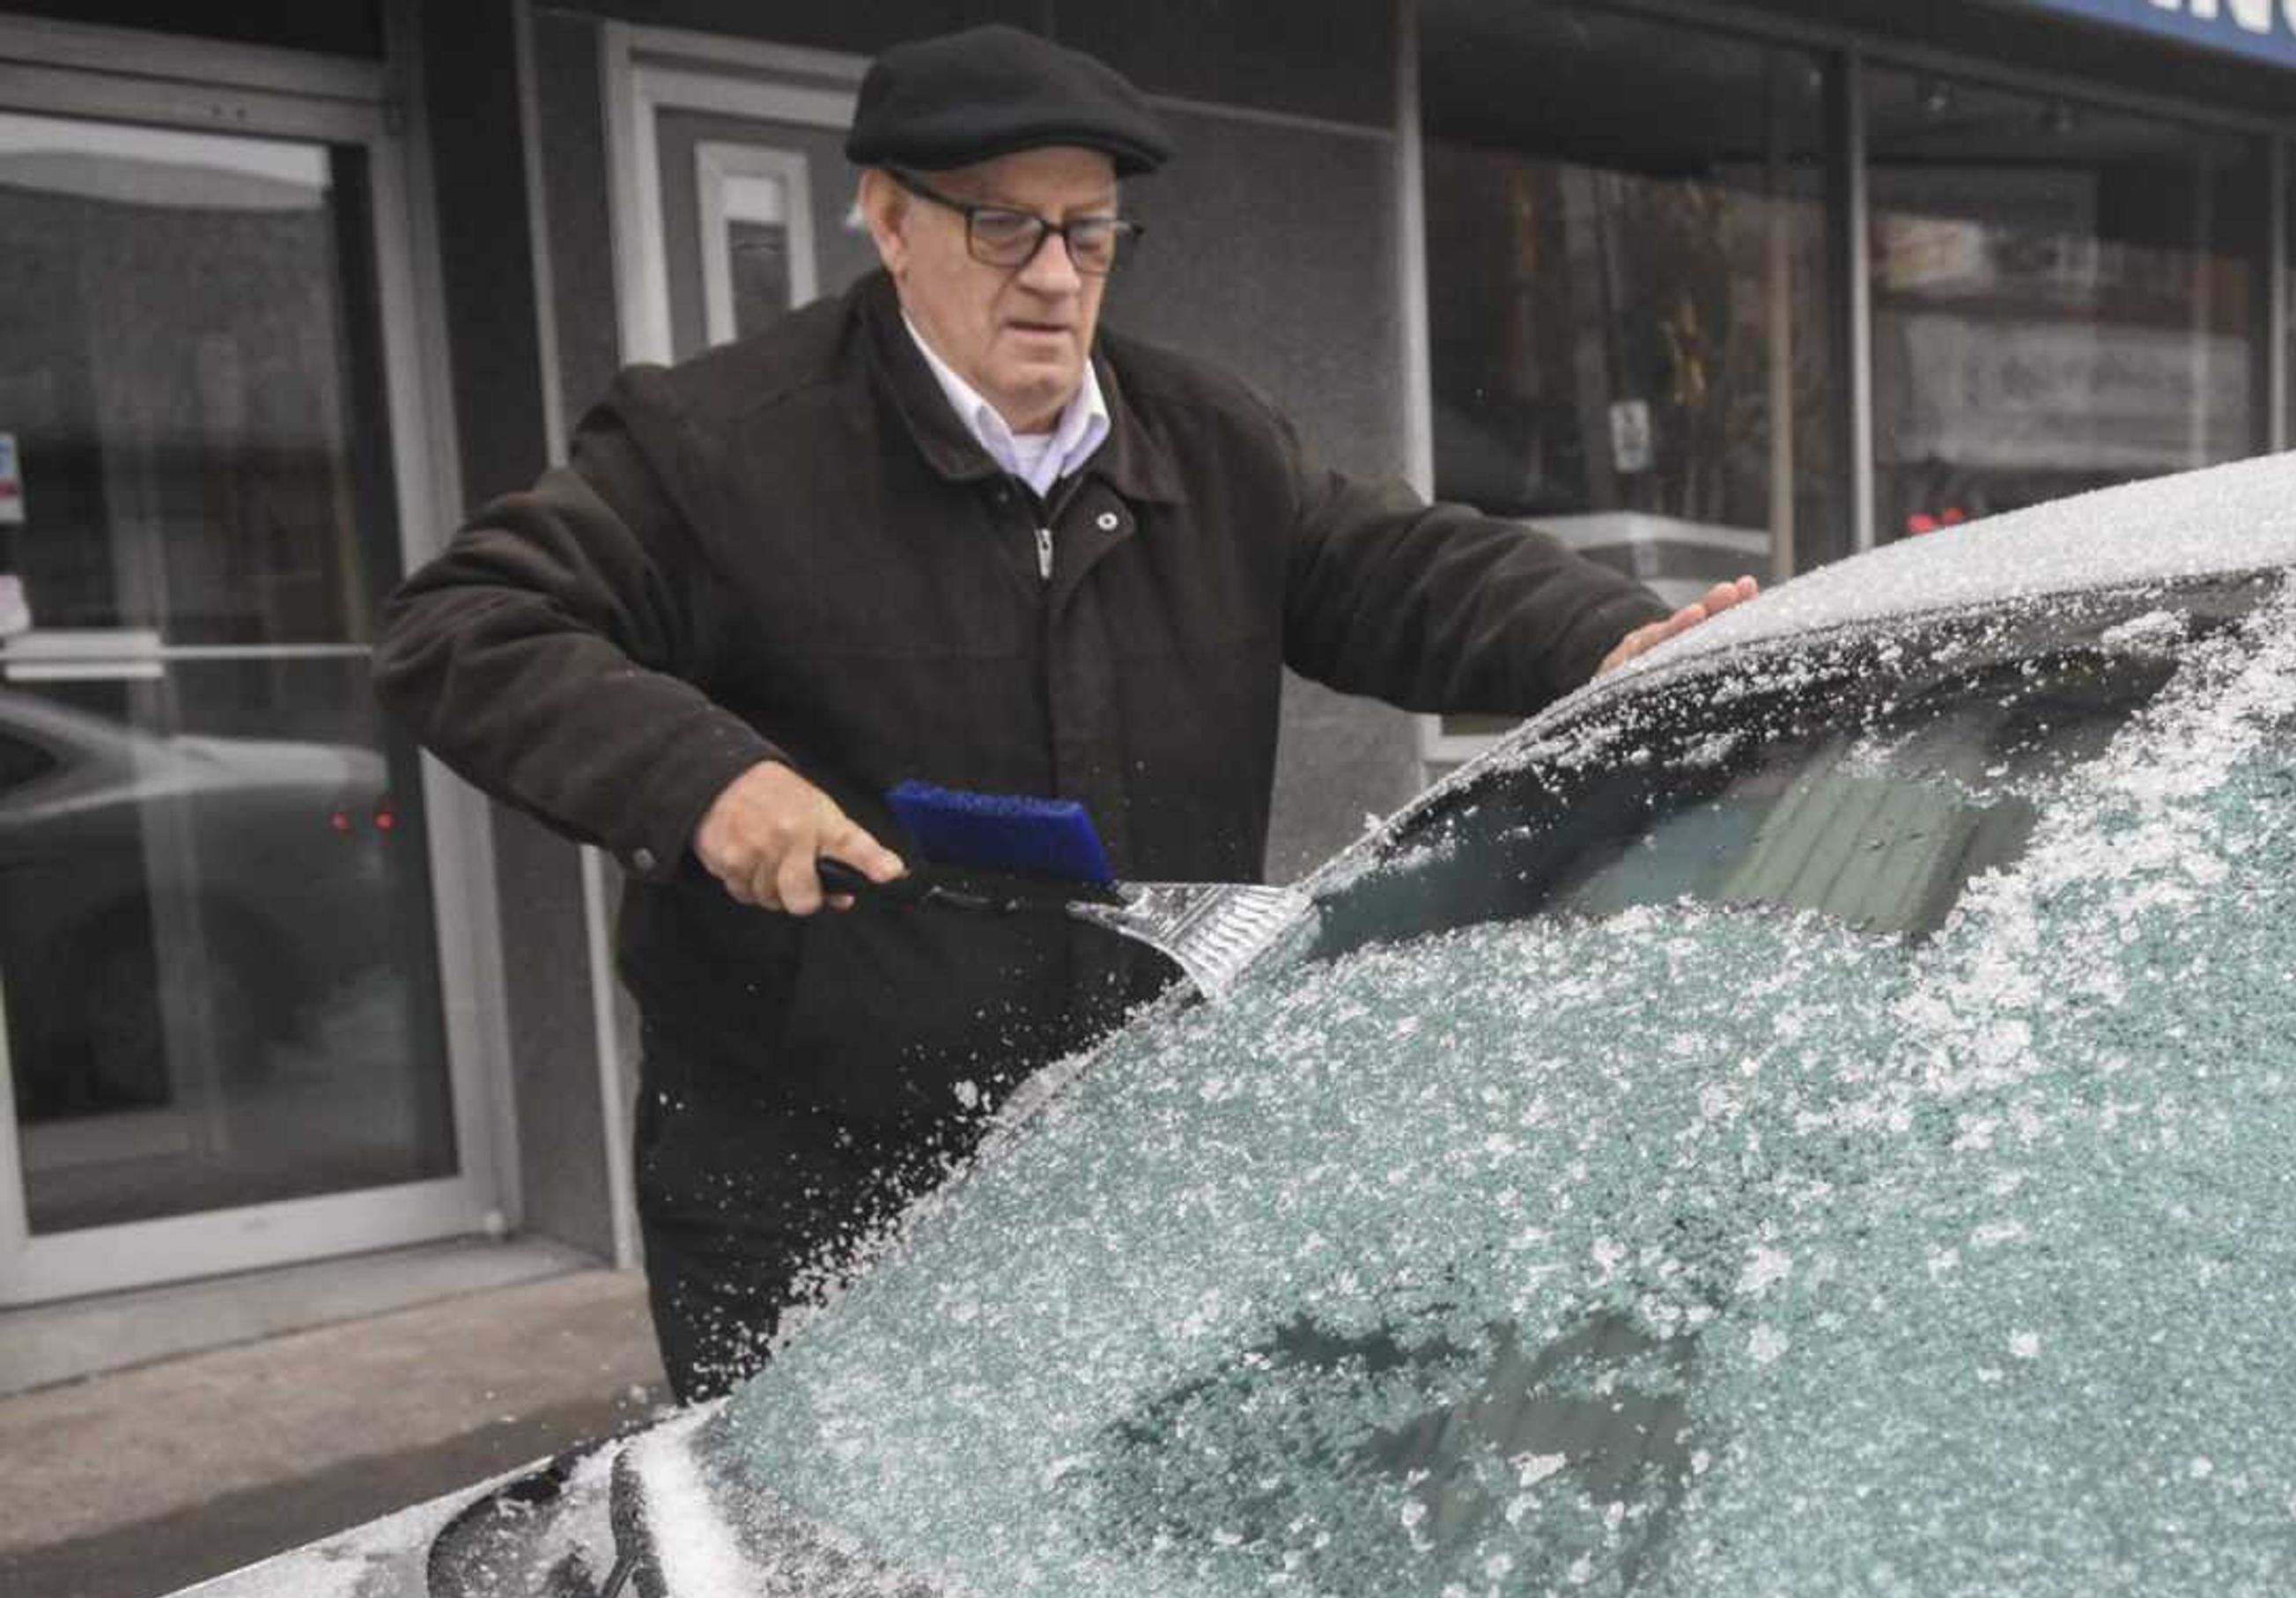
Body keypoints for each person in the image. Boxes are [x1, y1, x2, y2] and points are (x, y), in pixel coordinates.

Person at [375, 25, 1750, 1404]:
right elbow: (469, 626)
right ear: (891, 222)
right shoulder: (718, 449)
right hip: (805, 1182)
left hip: (1124, 1164)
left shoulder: (1209, 443)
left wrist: (1608, 635)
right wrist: (707, 783)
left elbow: (1402, 570)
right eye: (1003, 230)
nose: (1051, 279)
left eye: (1088, 236)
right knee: (815, 1591)